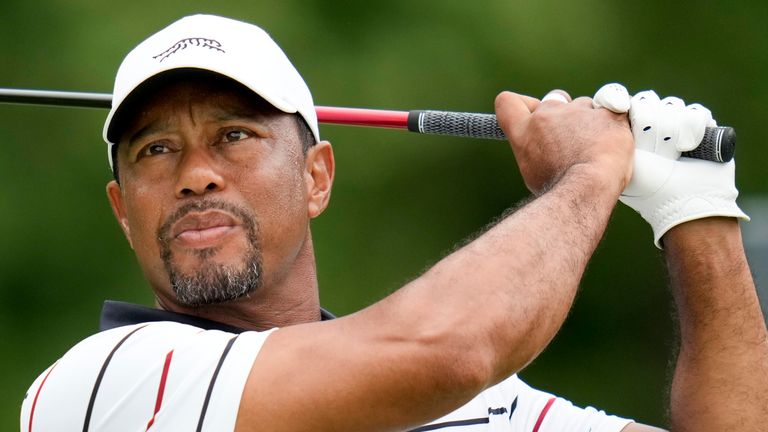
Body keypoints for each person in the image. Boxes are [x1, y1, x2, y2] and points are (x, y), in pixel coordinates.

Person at [20, 14, 767, 432]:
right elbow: (447, 348)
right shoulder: (104, 384)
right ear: (123, 210)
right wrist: (592, 173)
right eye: (155, 150)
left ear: (317, 178)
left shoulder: (490, 413)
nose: (196, 173)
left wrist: (696, 214)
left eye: (234, 136)